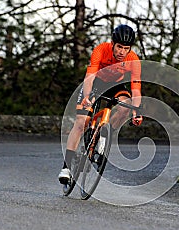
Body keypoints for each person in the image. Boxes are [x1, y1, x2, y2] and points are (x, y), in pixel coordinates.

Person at [58, 24, 143, 185]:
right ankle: (66, 167)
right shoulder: (101, 50)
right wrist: (87, 96)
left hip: (116, 86)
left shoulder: (133, 60)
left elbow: (136, 90)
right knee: (81, 123)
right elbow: (89, 76)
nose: (121, 52)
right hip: (95, 83)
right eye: (119, 47)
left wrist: (136, 112)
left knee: (127, 106)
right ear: (112, 44)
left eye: (126, 48)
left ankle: (105, 131)